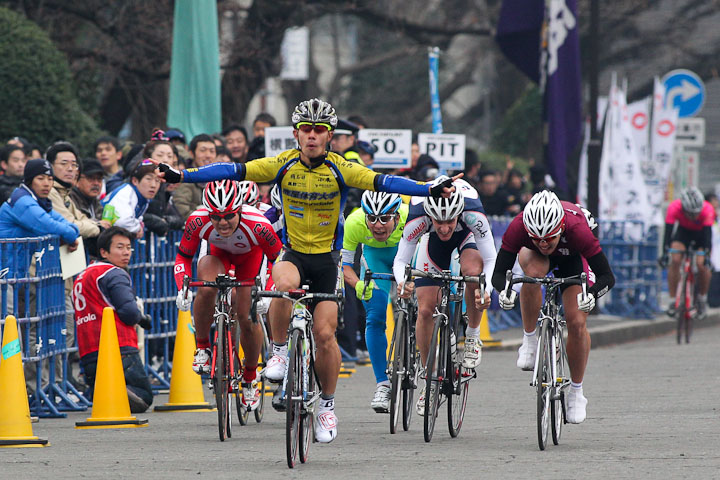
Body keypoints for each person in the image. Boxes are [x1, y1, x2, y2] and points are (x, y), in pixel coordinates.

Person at [157, 97, 458, 444]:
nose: (312, 136)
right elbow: (233, 171)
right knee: (282, 284)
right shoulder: (282, 164)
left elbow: (383, 182)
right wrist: (184, 175)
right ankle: (281, 352)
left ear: (329, 136)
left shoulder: (341, 167)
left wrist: (426, 188)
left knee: (325, 334)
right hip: (294, 252)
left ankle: (327, 406)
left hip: (328, 260)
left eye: (319, 130)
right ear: (296, 134)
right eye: (306, 130)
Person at [488, 190, 615, 424]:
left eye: (549, 238)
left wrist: (593, 295)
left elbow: (607, 276)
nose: (544, 243)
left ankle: (577, 392)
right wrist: (503, 290)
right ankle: (530, 340)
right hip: (535, 260)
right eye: (537, 238)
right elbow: (498, 273)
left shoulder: (578, 230)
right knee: (532, 275)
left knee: (576, 322)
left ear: (560, 229)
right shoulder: (519, 227)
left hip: (572, 260)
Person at [174, 180, 281, 411]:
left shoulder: (259, 225)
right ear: (208, 213)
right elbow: (183, 257)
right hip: (218, 255)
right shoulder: (197, 220)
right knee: (206, 288)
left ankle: (250, 377)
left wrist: (268, 294)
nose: (222, 222)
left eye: (229, 216)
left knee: (246, 316)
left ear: (240, 210)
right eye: (216, 217)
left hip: (250, 259)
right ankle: (202, 346)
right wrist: (182, 288)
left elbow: (277, 259)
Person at [394, 177, 495, 415]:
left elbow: (490, 259)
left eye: (449, 220)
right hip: (433, 246)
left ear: (458, 213)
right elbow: (401, 260)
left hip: (467, 238)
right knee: (426, 309)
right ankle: (430, 381)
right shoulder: (418, 216)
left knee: (472, 274)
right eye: (438, 221)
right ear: (430, 215)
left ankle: (471, 336)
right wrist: (402, 282)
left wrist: (486, 288)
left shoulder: (472, 212)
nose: (445, 227)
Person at [73, 226, 153, 413]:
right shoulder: (113, 273)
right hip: (119, 346)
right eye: (119, 247)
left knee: (100, 391)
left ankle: (103, 391)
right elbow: (129, 311)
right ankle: (113, 391)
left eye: (128, 247)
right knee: (143, 396)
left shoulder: (82, 276)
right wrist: (142, 318)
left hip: (88, 350)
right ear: (104, 252)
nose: (126, 252)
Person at [341, 191, 408, 413]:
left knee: (424, 302)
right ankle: (383, 384)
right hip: (375, 259)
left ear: (397, 217)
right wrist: (358, 284)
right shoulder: (354, 221)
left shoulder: (410, 217)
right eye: (372, 218)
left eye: (385, 219)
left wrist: (416, 283)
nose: (378, 225)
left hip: (408, 254)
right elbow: (347, 267)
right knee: (375, 317)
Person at [660, 187, 713, 318]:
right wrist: (665, 253)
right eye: (690, 213)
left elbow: (707, 237)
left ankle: (702, 298)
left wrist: (706, 255)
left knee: (702, 265)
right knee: (675, 260)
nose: (694, 216)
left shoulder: (707, 209)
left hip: (701, 235)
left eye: (696, 213)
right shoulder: (674, 208)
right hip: (683, 234)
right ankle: (673, 301)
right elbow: (668, 234)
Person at [101, 161, 160, 238]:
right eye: (148, 179)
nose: (153, 185)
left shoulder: (143, 198)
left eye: (157, 181)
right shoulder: (126, 193)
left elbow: (137, 218)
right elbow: (123, 222)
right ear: (135, 181)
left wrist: (139, 225)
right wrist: (138, 228)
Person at [70, 159, 111, 259]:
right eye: (91, 179)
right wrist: (98, 225)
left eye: (99, 179)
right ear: (77, 180)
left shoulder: (95, 202)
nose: (96, 183)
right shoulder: (70, 199)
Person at [173, 133, 218, 220]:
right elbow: (181, 207)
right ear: (191, 154)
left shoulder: (219, 178)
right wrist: (209, 221)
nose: (208, 155)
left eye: (212, 151)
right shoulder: (185, 177)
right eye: (203, 150)